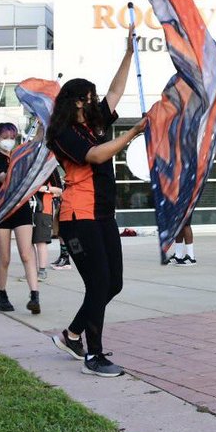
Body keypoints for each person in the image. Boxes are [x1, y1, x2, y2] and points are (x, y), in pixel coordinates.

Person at [48, 29, 147, 377]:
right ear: (77, 100)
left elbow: (117, 91)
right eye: (89, 97)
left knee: (113, 283)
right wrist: (132, 134)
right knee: (98, 284)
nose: (95, 100)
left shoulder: (95, 122)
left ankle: (72, 335)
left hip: (103, 214)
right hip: (79, 215)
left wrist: (129, 54)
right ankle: (94, 355)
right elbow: (93, 155)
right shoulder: (64, 134)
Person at [0, 123, 41, 314]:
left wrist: (41, 126)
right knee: (5, 258)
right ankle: (2, 295)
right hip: (0, 209)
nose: (10, 140)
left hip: (21, 207)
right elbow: (6, 179)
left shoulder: (20, 155)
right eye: (5, 136)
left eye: (12, 136)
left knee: (27, 253)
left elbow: (38, 145)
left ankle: (34, 295)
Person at [30, 171, 63, 282]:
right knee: (28, 243)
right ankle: (31, 272)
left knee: (40, 241)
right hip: (27, 210)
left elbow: (59, 190)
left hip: (43, 210)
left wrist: (46, 189)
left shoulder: (50, 168)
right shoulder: (27, 167)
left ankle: (42, 270)